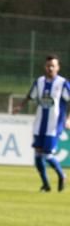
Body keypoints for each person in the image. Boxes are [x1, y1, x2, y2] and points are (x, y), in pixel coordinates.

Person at [14, 55, 69, 192]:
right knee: (38, 156)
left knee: (47, 154)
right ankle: (46, 185)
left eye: (53, 66)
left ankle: (62, 175)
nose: (50, 68)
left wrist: (69, 119)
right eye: (48, 65)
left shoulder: (62, 83)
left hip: (54, 125)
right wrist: (20, 106)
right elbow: (30, 96)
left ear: (58, 68)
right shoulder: (39, 82)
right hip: (40, 124)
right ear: (45, 67)